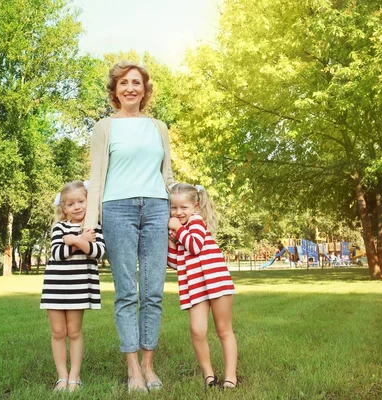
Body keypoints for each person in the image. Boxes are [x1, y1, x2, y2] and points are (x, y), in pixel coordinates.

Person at [83, 61, 174, 392]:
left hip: (156, 208)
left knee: (152, 291)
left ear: (145, 90)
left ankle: (149, 366)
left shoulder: (158, 127)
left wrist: (176, 211)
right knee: (127, 292)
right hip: (117, 209)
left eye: (137, 82)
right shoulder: (104, 127)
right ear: (115, 90)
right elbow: (96, 179)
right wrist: (90, 224)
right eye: (124, 83)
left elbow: (167, 175)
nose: (131, 88)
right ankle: (133, 369)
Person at [167, 183, 239, 390]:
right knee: (197, 330)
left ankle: (230, 376)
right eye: (174, 208)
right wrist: (171, 240)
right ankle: (209, 375)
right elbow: (173, 262)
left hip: (217, 282)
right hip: (196, 286)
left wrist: (178, 229)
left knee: (224, 330)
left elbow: (195, 246)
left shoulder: (196, 222)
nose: (178, 212)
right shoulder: (179, 231)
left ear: (195, 207)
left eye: (183, 208)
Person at [40, 180, 105, 392]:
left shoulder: (94, 227)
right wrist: (80, 241)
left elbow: (98, 252)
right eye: (70, 204)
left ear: (89, 201)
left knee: (74, 332)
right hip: (56, 286)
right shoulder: (59, 227)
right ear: (64, 208)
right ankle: (62, 377)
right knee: (58, 332)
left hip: (79, 287)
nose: (77, 207)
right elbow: (57, 254)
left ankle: (75, 377)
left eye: (81, 201)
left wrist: (75, 241)